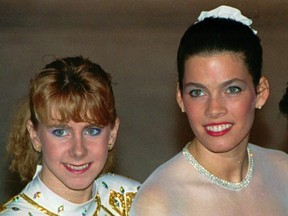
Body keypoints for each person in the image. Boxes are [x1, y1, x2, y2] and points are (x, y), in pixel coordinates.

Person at [130, 5, 288, 215]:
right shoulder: (160, 200)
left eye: (232, 89)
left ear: (261, 92)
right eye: (197, 92)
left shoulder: (283, 171)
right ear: (180, 97)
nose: (214, 109)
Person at [0, 56, 140, 215]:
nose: (78, 151)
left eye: (92, 131)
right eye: (60, 132)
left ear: (112, 133)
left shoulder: (131, 198)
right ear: (35, 135)